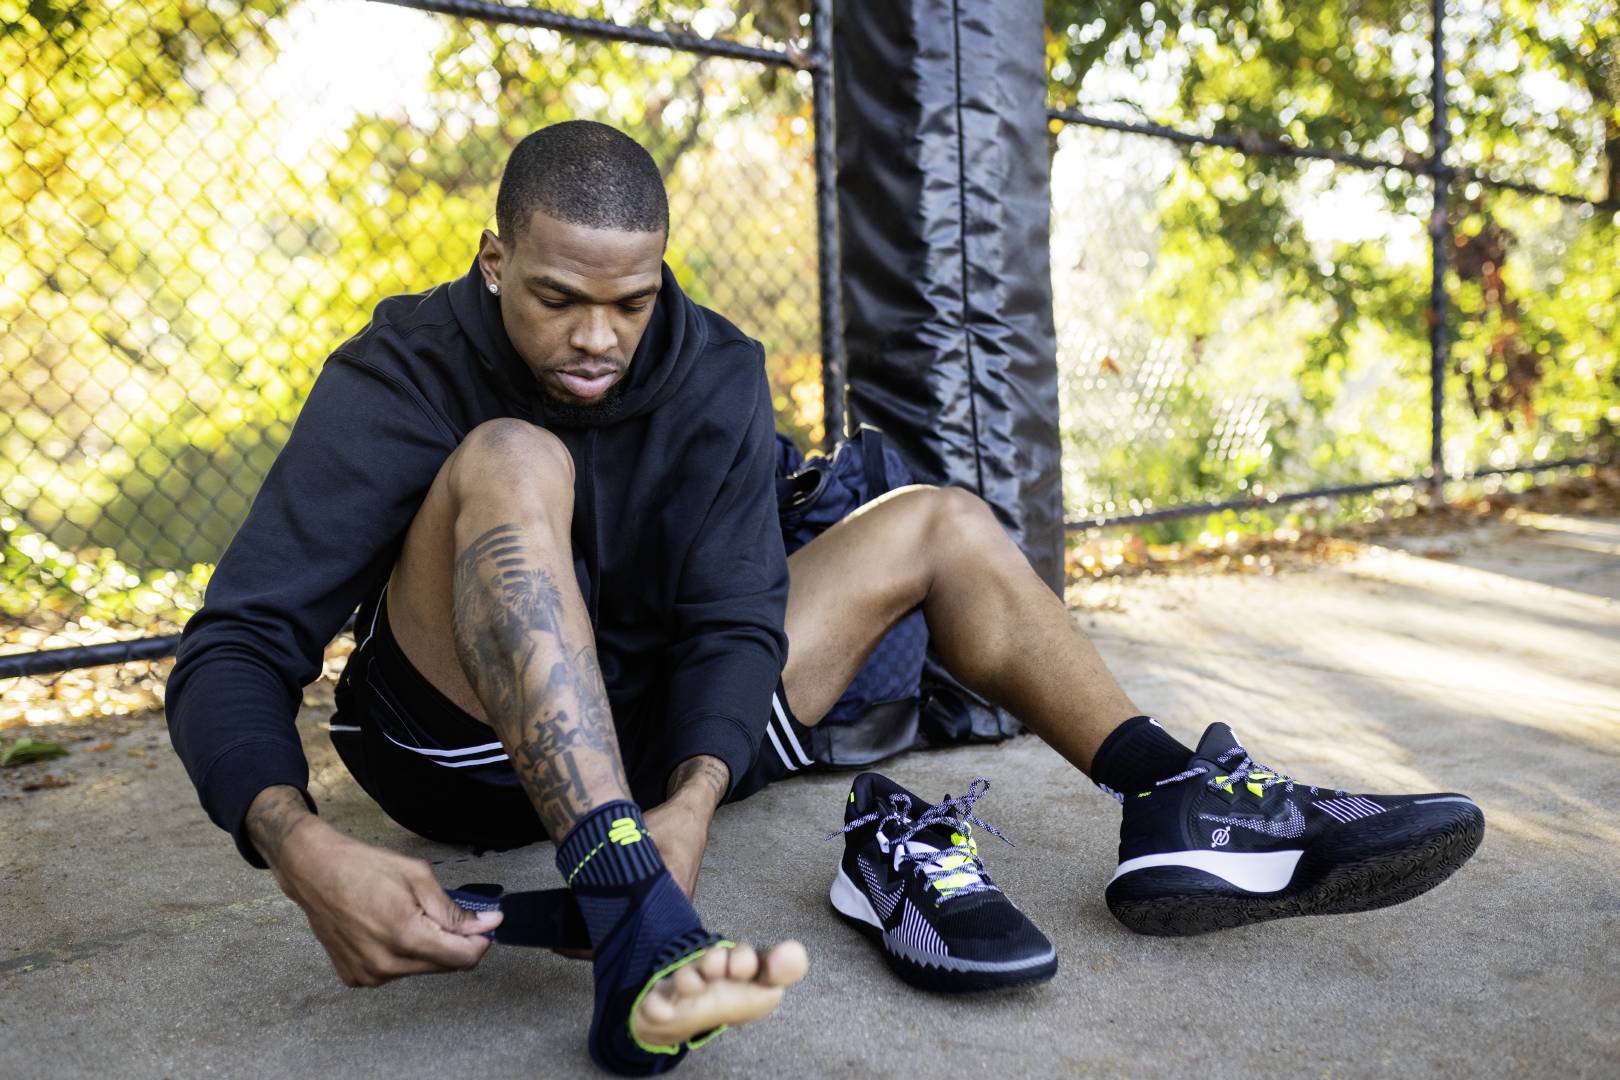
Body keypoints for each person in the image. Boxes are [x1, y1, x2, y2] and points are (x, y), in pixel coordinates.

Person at [166, 120, 1483, 1075]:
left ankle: (1170, 796)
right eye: (559, 297)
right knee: (520, 457)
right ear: (495, 258)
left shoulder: (713, 365)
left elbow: (741, 619)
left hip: (655, 731)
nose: (596, 338)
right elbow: (237, 645)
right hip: (460, 747)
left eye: (629, 303)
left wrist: (689, 799)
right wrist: (299, 843)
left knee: (945, 521)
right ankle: (629, 910)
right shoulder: (404, 363)